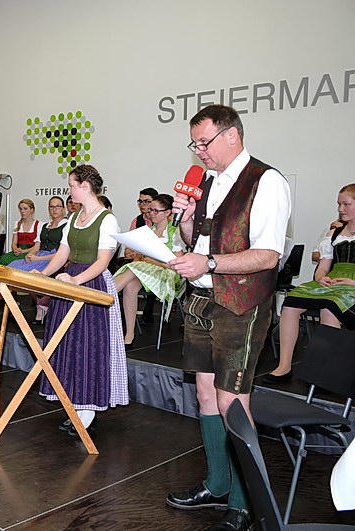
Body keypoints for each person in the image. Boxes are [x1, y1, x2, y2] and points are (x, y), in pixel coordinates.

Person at [166, 104, 291, 531]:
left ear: (232, 135)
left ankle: (244, 501)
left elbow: (268, 255)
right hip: (202, 300)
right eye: (194, 144)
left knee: (231, 400)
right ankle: (217, 483)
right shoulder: (207, 181)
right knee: (205, 394)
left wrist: (210, 264)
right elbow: (197, 242)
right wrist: (186, 221)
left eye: (204, 142)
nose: (198, 151)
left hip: (241, 303)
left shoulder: (266, 181)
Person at [31, 165, 128, 437]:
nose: (69, 190)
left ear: (85, 186)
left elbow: (103, 261)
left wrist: (76, 280)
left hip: (91, 283)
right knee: (68, 345)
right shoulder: (73, 218)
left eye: (72, 185)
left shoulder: (107, 219)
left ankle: (87, 412)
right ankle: (74, 406)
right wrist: (44, 274)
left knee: (89, 346)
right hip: (70, 281)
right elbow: (62, 254)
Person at [264, 184, 355, 383]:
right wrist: (321, 277)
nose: (341, 209)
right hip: (334, 281)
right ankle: (284, 366)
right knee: (291, 302)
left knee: (329, 308)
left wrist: (352, 282)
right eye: (339, 204)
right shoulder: (334, 234)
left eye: (346, 204)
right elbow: (323, 266)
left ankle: (329, 372)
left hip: (352, 286)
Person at [114, 194, 185, 346]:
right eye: (150, 210)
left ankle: (105, 295)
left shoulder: (175, 233)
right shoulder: (148, 232)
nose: (151, 213)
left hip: (167, 274)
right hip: (145, 272)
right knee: (130, 286)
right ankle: (129, 333)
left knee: (133, 269)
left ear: (167, 212)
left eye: (155, 211)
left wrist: (151, 261)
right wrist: (139, 257)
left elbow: (177, 266)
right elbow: (139, 259)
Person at [7, 196, 68, 324]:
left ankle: (42, 304)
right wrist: (31, 255)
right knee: (11, 266)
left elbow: (62, 253)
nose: (54, 209)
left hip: (54, 257)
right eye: (51, 206)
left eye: (57, 206)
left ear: (63, 209)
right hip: (39, 254)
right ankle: (39, 303)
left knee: (26, 272)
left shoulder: (67, 226)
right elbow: (36, 246)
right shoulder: (45, 226)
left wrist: (38, 258)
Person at [124, 187, 159, 321]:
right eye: (140, 201)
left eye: (146, 201)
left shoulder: (163, 221)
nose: (142, 205)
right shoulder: (137, 221)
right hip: (138, 263)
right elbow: (128, 248)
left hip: (155, 265)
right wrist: (131, 252)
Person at [0, 199, 39, 265]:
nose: (22, 211)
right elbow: (14, 243)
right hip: (19, 251)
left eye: (25, 209)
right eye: (21, 209)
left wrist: (23, 251)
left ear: (32, 210)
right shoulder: (17, 224)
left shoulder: (39, 225)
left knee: (17, 263)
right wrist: (15, 249)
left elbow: (37, 247)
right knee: (3, 260)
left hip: (31, 252)